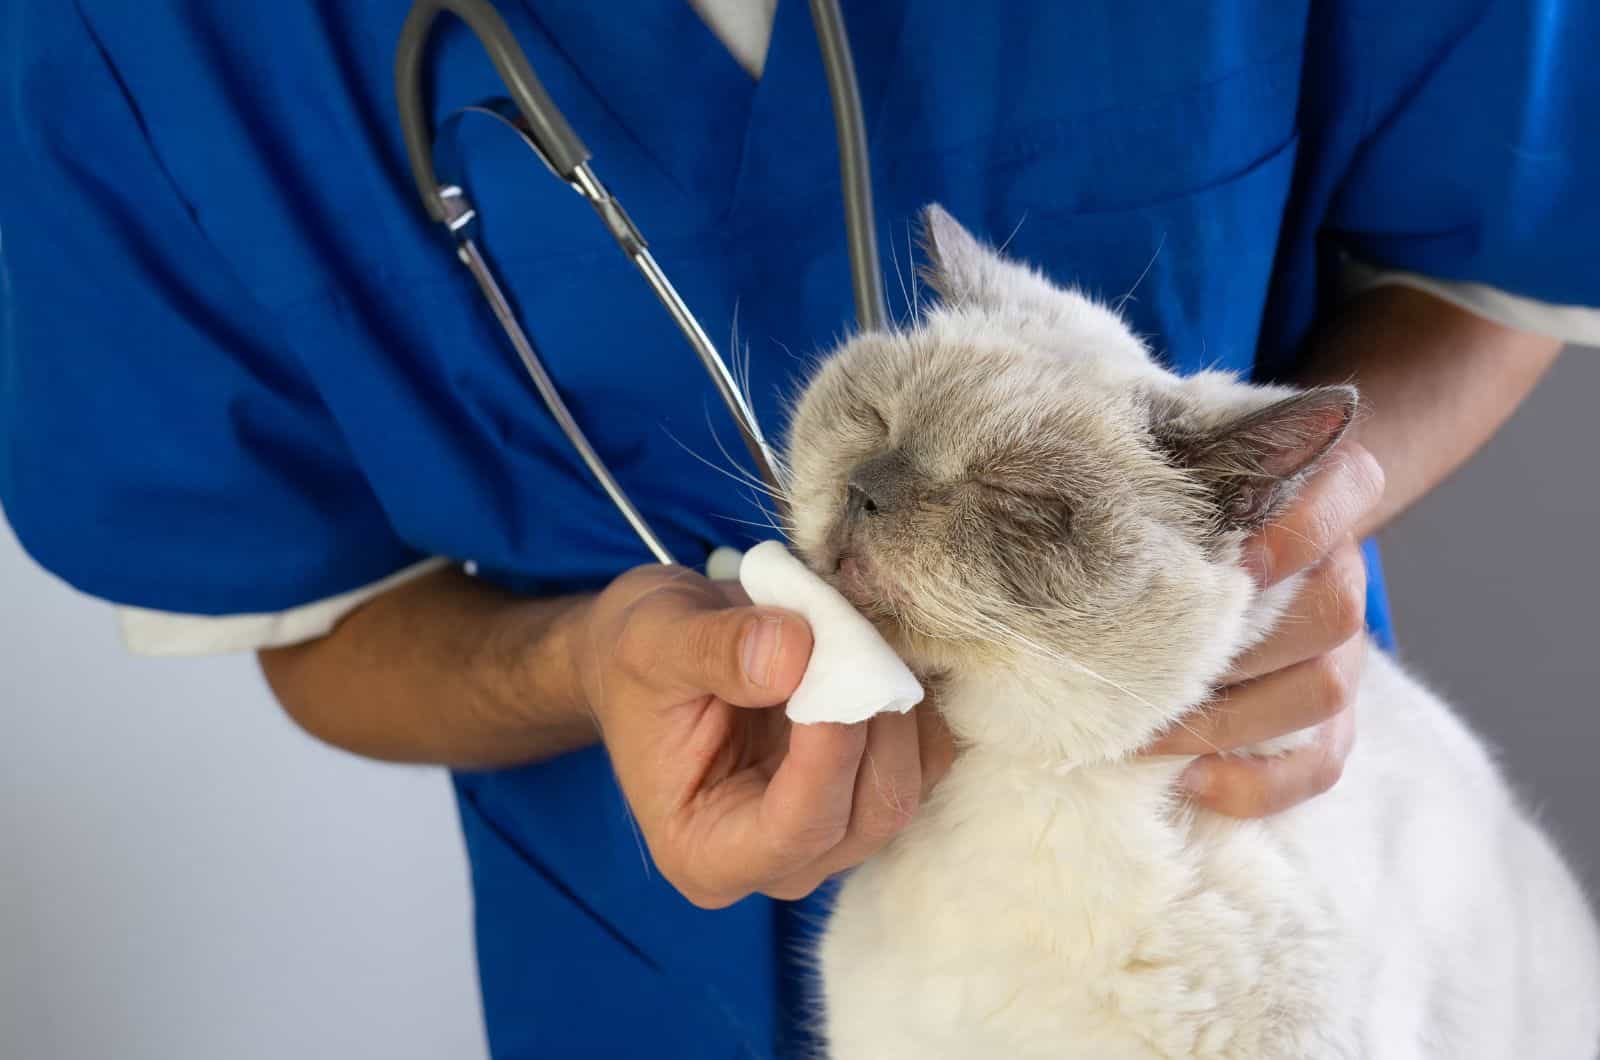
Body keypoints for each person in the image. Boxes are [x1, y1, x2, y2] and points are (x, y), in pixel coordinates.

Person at [2, 2, 1594, 1056]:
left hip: (1247, 816)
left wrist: (1276, 531)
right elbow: (301, 602)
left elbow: (1494, 249)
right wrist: (582, 660)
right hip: (636, 953)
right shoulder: (133, 39)